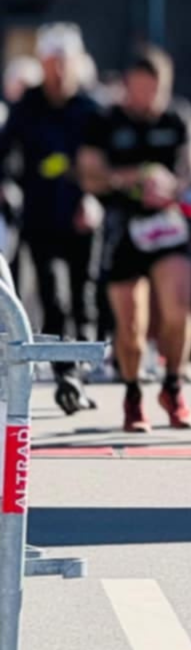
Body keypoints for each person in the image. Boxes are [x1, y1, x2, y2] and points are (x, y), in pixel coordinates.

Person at [77, 47, 191, 432]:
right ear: (127, 86)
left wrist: (176, 183)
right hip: (123, 228)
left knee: (179, 309)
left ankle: (173, 385)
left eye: (155, 89)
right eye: (141, 88)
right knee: (132, 327)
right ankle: (133, 391)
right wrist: (130, 177)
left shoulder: (177, 119)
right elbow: (89, 174)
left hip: (166, 226)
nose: (148, 97)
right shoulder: (106, 121)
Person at [1, 24, 101, 414]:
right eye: (51, 62)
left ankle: (83, 374)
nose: (58, 70)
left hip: (82, 218)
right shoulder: (28, 105)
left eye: (64, 62)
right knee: (53, 297)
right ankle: (66, 374)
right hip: (40, 218)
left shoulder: (90, 108)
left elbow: (105, 163)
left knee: (84, 297)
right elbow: (5, 152)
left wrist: (93, 196)